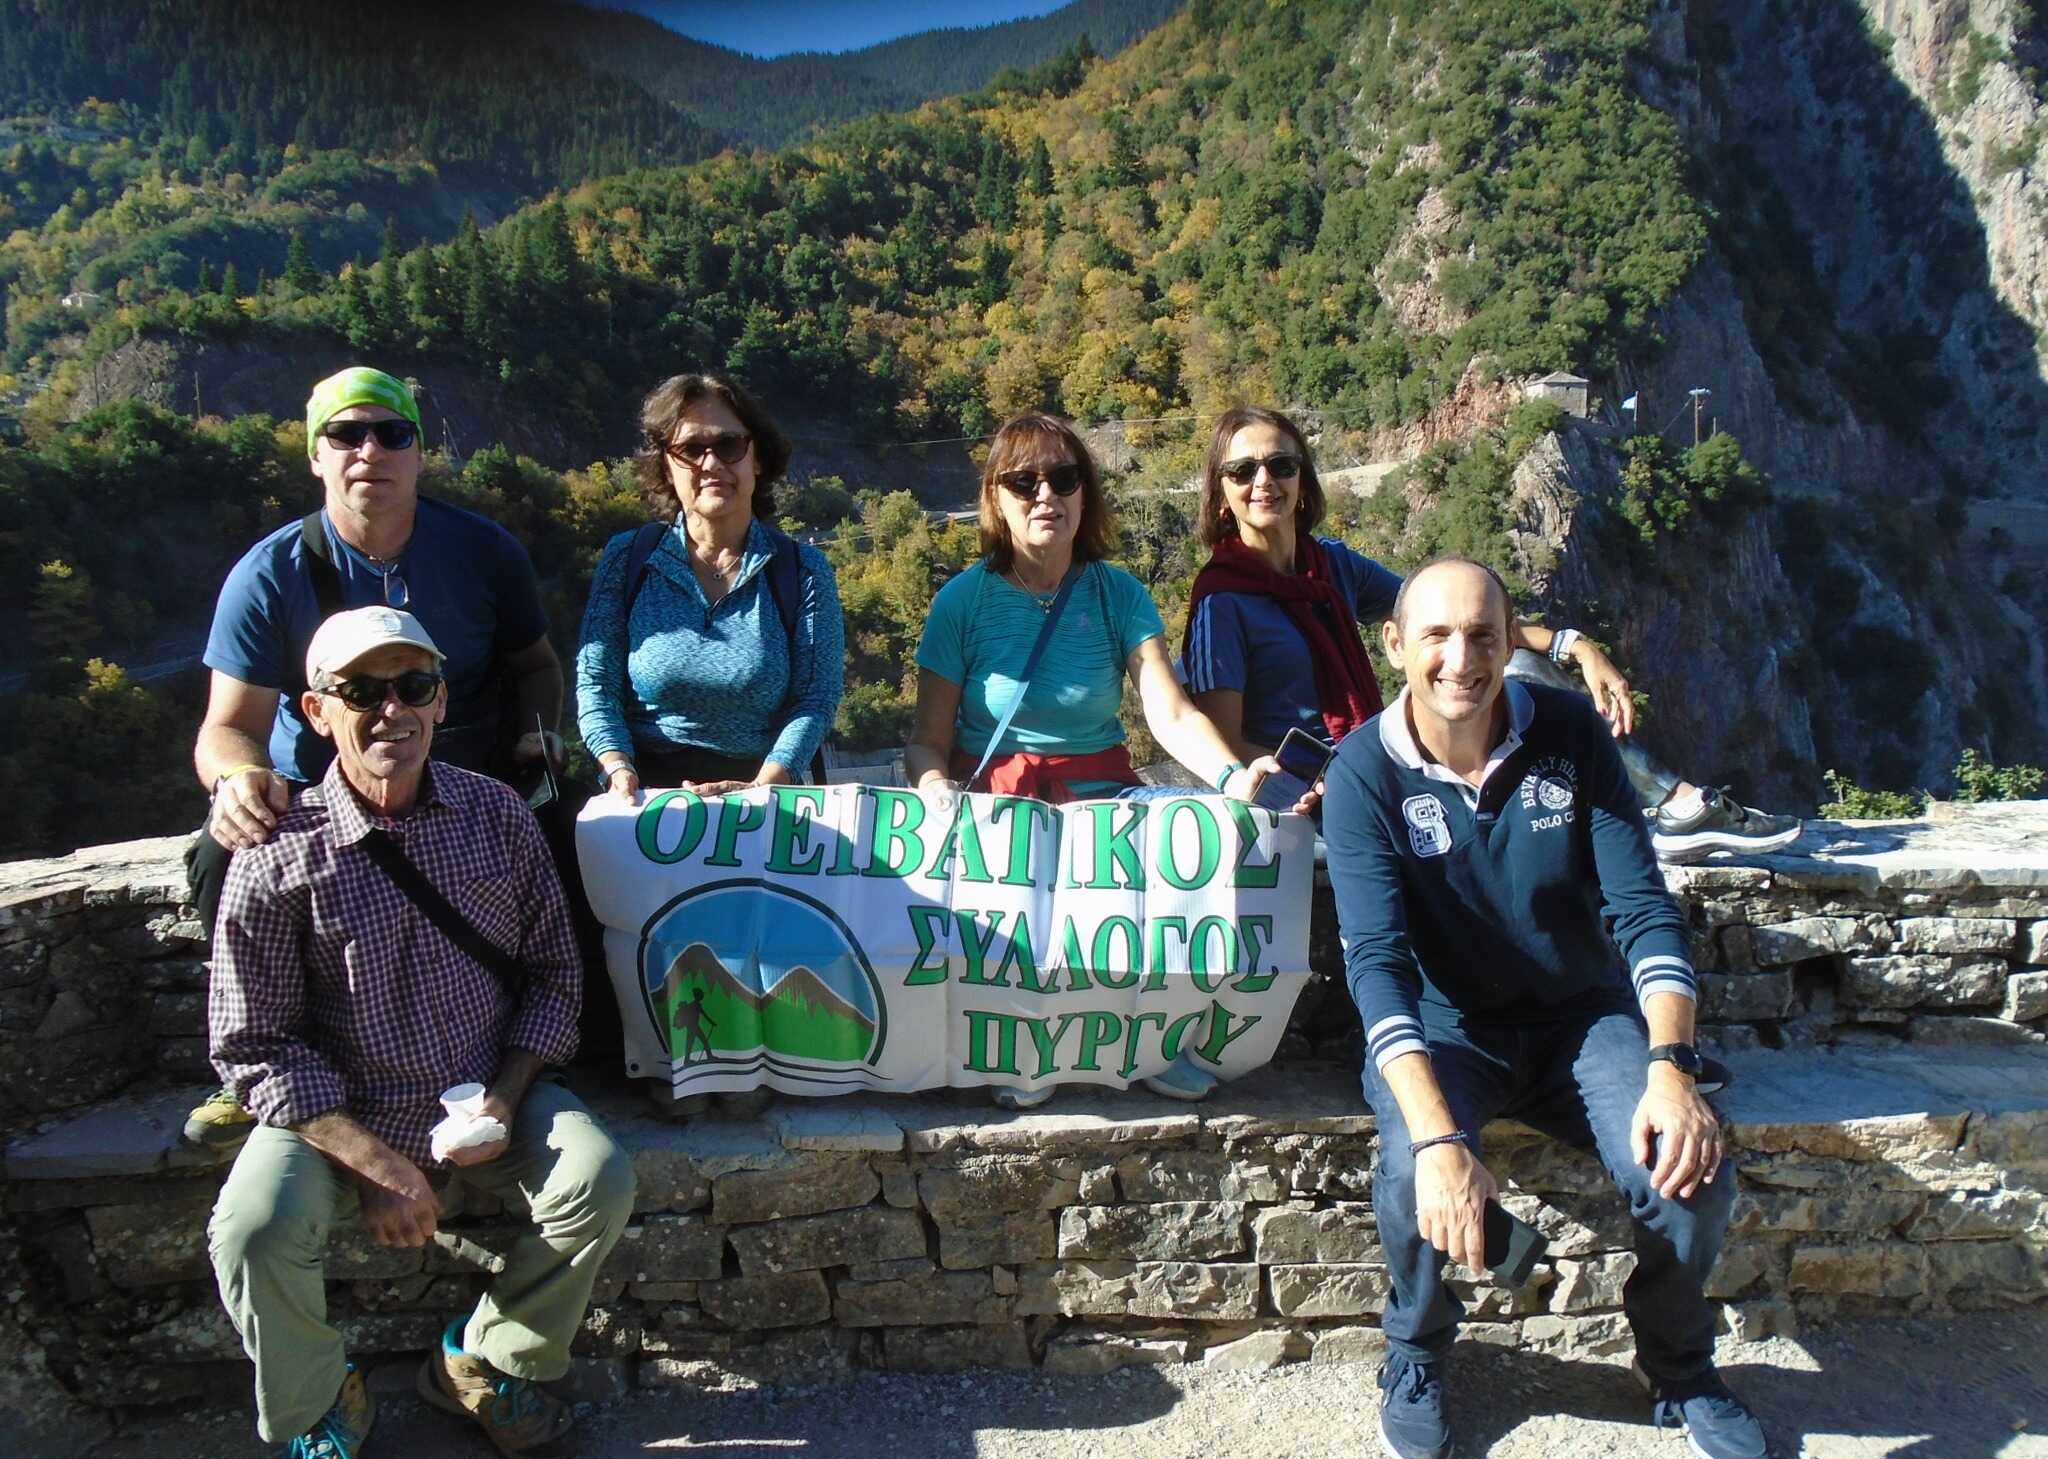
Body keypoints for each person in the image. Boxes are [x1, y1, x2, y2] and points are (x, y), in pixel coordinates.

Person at [1321, 555, 1767, 1459]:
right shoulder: (1365, 771)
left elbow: (1642, 909)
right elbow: (1378, 966)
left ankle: (1679, 1370)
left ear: (1508, 639)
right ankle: (1416, 1351)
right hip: (1446, 1031)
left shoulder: (1566, 733)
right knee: (1415, 1172)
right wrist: (1443, 1142)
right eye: (1436, 636)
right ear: (1396, 645)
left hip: (1581, 1022)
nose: (1461, 659)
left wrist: (1672, 1067)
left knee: (1691, 1177)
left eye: (1483, 635)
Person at [205, 606, 634, 1459]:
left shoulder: (495, 819)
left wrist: (507, 1096)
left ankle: (484, 1360)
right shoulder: (278, 853)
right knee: (252, 1226)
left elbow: (557, 976)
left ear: (440, 702)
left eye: (412, 687)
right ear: (318, 713)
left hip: (487, 1087)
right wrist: (377, 1164)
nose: (389, 710)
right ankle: (322, 1412)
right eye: (361, 692)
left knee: (597, 1176)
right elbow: (251, 1046)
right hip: (336, 1115)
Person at [184, 365, 568, 1151]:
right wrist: (237, 779)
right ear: (315, 456)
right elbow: (226, 725)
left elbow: (537, 664)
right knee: (217, 854)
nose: (370, 450)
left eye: (392, 433)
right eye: (345, 434)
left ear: (420, 453)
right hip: (326, 786)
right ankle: (247, 1070)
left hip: (472, 772)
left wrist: (541, 732)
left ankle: (556, 1050)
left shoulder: (484, 552)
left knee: (566, 834)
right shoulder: (270, 574)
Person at [1183, 406, 1800, 857]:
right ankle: (1655, 810)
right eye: (1243, 470)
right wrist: (1291, 787)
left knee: (1515, 671)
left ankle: (1670, 805)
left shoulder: (1331, 566)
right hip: (1319, 786)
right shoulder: (1223, 600)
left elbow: (1452, 617)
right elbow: (1224, 735)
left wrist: (1573, 644)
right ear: (1222, 492)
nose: (1263, 481)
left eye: (1280, 464)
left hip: (1383, 749)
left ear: (1301, 480)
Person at [905, 411, 1295, 1107]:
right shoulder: (962, 603)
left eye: (1063, 477)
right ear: (995, 498)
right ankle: (1024, 1052)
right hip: (1002, 808)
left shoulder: (1117, 594)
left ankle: (1158, 1044)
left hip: (1101, 797)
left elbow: (1169, 712)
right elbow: (927, 741)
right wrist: (935, 787)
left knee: (1205, 843)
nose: (1045, 495)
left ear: (1086, 494)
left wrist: (1236, 778)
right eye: (1023, 481)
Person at [577, 372, 844, 802]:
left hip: (763, 808)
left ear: (756, 458)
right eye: (690, 449)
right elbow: (595, 683)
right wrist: (618, 769)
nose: (711, 463)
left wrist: (761, 788)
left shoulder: (804, 571)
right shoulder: (627, 560)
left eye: (728, 445)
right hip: (643, 806)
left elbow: (816, 698)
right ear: (667, 463)